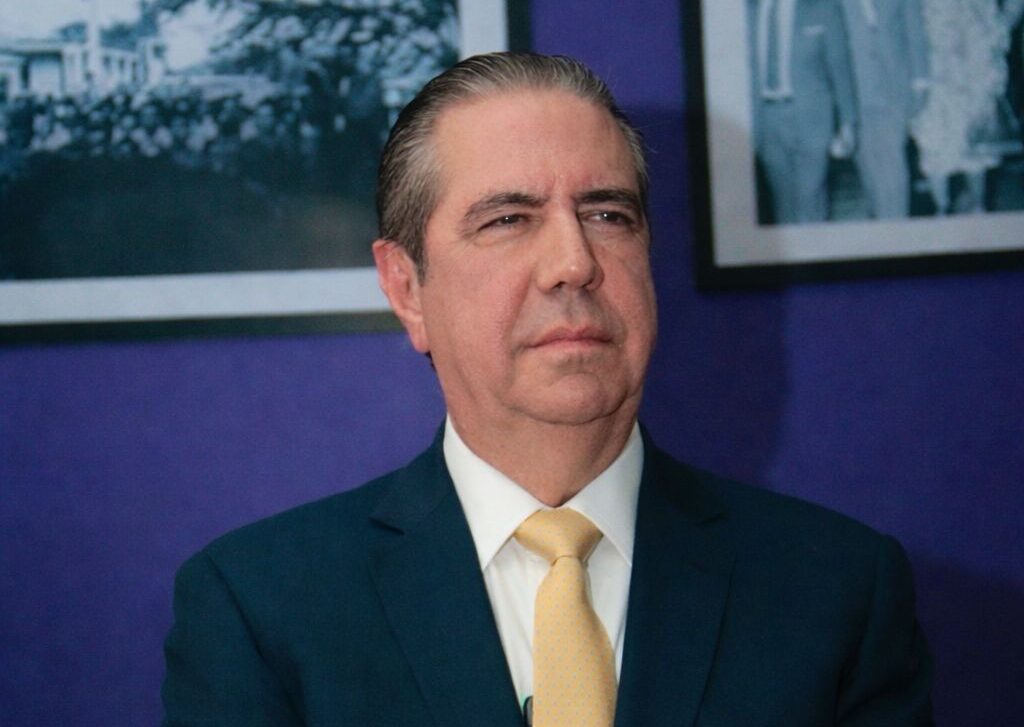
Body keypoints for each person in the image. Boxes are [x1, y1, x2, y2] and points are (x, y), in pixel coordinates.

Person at [162, 52, 933, 726]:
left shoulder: (837, 592)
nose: (574, 262)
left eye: (608, 214)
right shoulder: (259, 607)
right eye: (508, 219)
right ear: (407, 289)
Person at [749, 0, 858, 224]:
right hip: (766, 122)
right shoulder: (748, 11)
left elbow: (840, 67)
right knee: (783, 205)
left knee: (810, 200)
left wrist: (847, 122)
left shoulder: (821, 8)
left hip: (811, 120)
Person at [911, 0, 1014, 214]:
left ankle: (977, 211)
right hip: (934, 71)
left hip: (977, 69)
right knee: (935, 146)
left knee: (976, 150)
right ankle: (942, 212)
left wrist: (1002, 25)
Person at [840, 0, 930, 219]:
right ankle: (879, 220)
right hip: (854, 90)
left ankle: (895, 226)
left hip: (894, 88)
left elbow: (915, 30)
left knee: (892, 167)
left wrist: (920, 81)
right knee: (867, 166)